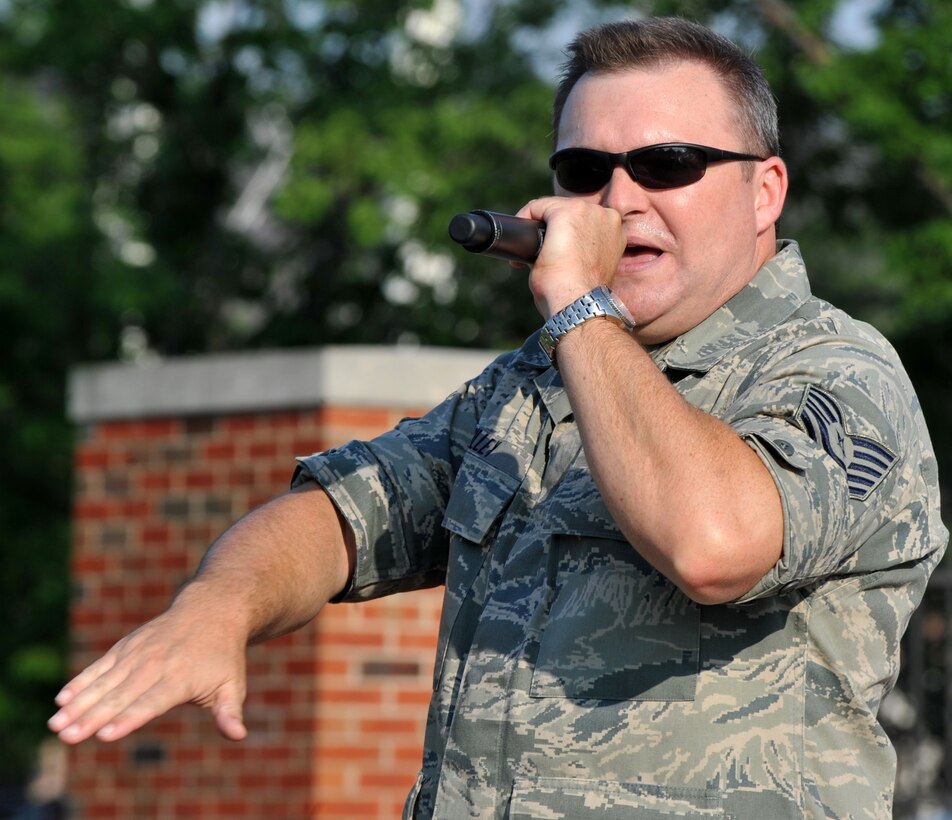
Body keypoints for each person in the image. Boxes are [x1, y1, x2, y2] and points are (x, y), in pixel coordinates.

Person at [49, 16, 946, 819]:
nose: (619, 199)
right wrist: (218, 605)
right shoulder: (532, 382)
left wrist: (577, 311)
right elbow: (345, 512)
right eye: (584, 171)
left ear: (765, 191)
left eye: (667, 164)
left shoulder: (835, 372)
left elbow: (715, 543)